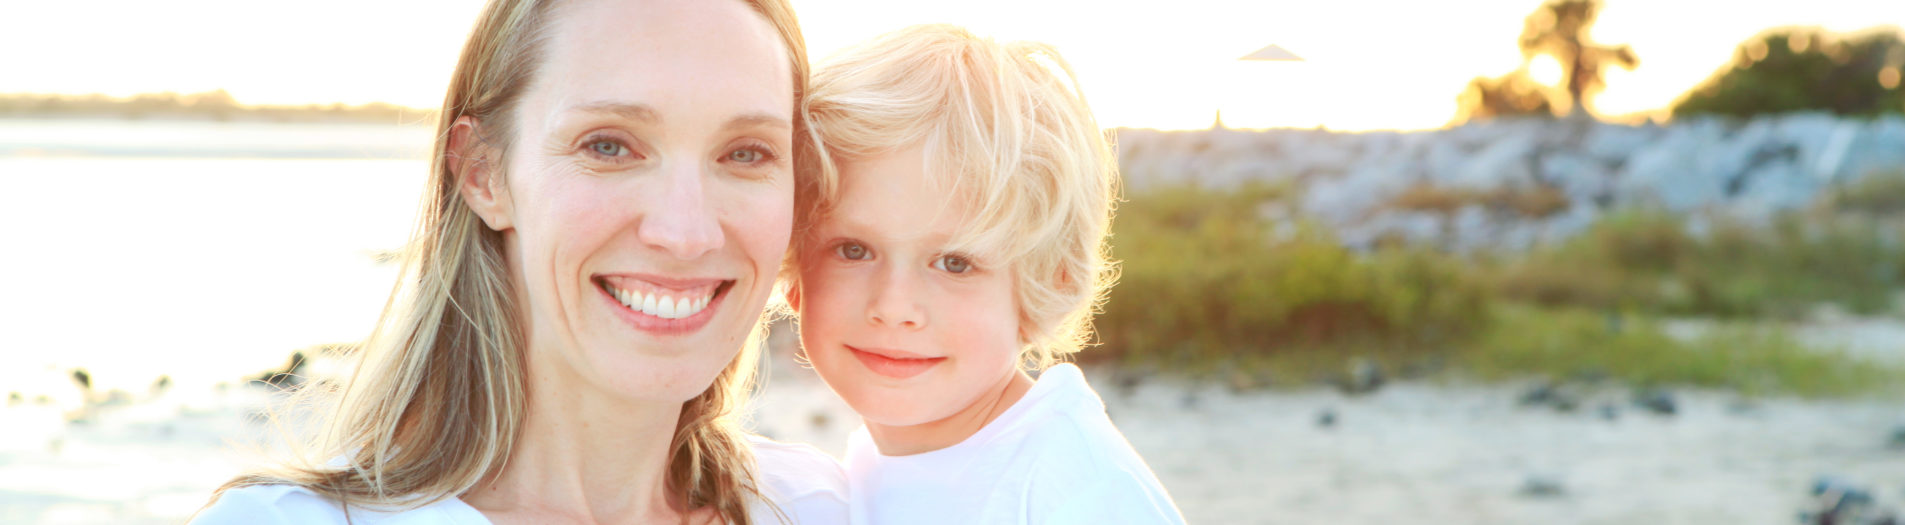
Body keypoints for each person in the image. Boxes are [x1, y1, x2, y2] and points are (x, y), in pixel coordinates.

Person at [191, 0, 845, 523]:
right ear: (483, 173)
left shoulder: (826, 507)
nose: (684, 232)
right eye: (609, 146)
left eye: (746, 153)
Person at [787, 24, 1185, 524]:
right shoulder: (877, 469)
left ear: (1048, 283)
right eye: (852, 250)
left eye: (955, 263)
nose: (893, 306)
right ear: (794, 268)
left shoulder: (1076, 492)